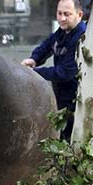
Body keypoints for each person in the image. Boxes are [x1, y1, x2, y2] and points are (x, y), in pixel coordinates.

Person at [21, 0, 86, 141]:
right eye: (59, 13)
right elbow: (48, 45)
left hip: (76, 103)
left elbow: (65, 73)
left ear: (79, 14)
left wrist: (34, 72)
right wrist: (34, 59)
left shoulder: (81, 36)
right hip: (61, 98)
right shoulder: (63, 31)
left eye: (67, 14)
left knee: (70, 140)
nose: (62, 18)